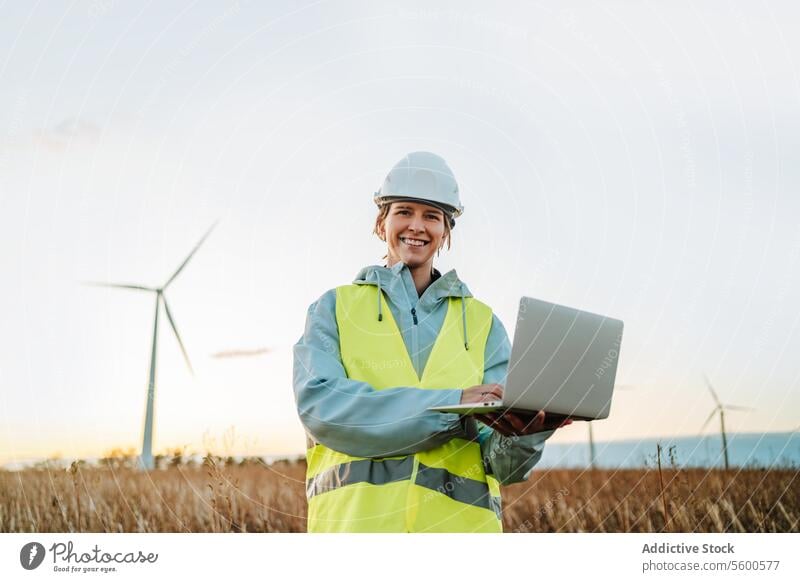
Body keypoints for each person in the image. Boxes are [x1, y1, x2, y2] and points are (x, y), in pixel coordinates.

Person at [293, 151, 572, 533]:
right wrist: (452, 406)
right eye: (404, 211)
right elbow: (325, 410)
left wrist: (527, 433)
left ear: (446, 231)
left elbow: (502, 466)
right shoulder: (333, 309)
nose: (417, 226)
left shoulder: (483, 324)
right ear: (381, 223)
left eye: (432, 216)